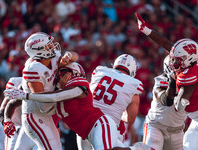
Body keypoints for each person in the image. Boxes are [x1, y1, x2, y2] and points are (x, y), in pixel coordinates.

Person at [5, 62, 123, 150]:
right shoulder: (56, 89)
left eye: (63, 72)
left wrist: (26, 95)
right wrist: (6, 120)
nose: (58, 75)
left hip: (99, 125)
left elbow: (53, 97)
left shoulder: (80, 86)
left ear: (73, 74)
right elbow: (13, 103)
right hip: (83, 134)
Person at [3, 32, 79, 150]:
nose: (52, 46)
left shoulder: (53, 58)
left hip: (47, 114)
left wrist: (70, 56)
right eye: (48, 46)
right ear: (39, 51)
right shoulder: (33, 69)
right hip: (36, 115)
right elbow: (42, 104)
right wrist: (60, 87)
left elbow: (75, 57)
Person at [135, 12, 198, 150]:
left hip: (182, 126)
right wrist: (147, 30)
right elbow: (166, 100)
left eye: (176, 61)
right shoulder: (162, 79)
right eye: (173, 61)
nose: (174, 64)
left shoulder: (188, 73)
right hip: (159, 126)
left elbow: (179, 102)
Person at [77, 54, 143, 150]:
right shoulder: (134, 85)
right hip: (106, 127)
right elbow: (130, 120)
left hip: (84, 122)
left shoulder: (100, 71)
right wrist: (118, 110)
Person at [142, 55, 187, 150]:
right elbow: (167, 100)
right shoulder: (160, 80)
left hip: (177, 130)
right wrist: (172, 82)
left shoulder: (188, 82)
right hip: (156, 126)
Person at [0, 77, 36, 150]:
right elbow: (2, 110)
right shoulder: (15, 83)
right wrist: (5, 122)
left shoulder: (38, 88)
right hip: (14, 129)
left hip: (33, 129)